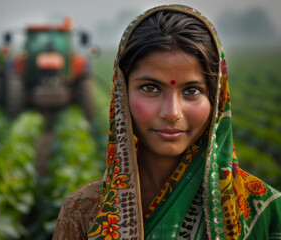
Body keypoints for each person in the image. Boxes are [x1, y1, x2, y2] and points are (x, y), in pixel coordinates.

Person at [52, 4, 281, 239]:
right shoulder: (82, 212)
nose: (172, 113)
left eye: (192, 91)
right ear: (122, 95)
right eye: (150, 88)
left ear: (216, 99)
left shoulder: (266, 211)